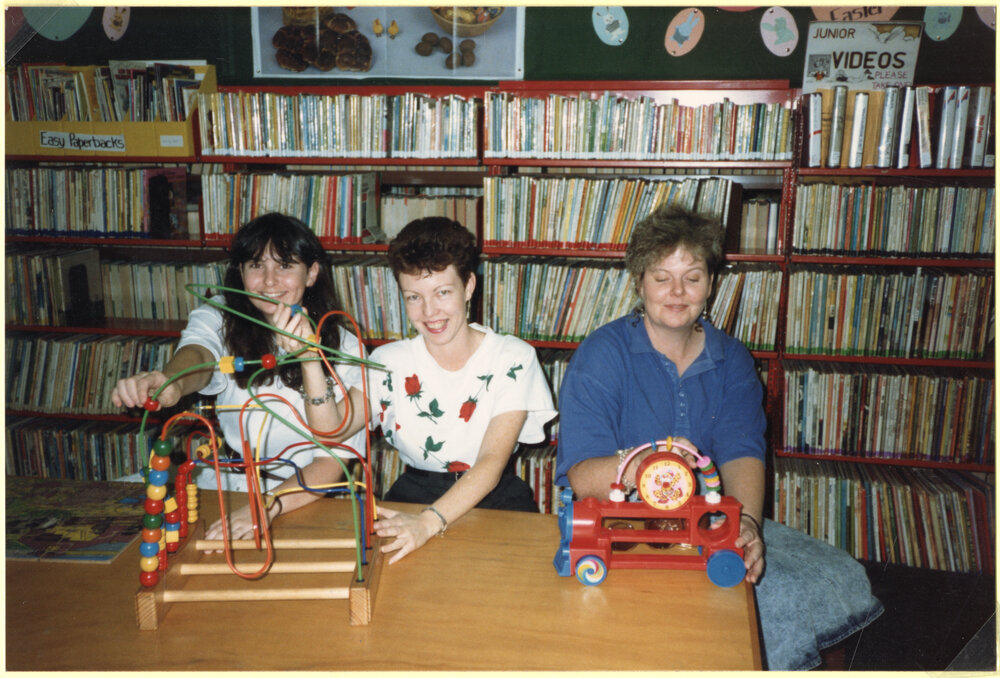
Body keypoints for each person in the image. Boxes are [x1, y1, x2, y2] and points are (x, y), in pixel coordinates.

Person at [555, 204, 883, 671]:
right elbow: (583, 474)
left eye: (692, 276)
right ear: (639, 283)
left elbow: (742, 452)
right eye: (660, 276)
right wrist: (658, 462)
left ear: (711, 284)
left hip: (707, 522)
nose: (676, 292)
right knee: (756, 607)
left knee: (842, 576)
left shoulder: (731, 358)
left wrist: (746, 525)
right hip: (625, 529)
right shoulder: (601, 355)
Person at [111, 212, 369, 543]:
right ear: (241, 272)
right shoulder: (222, 315)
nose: (269, 281)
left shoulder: (347, 348)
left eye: (286, 265)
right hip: (227, 487)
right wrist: (169, 383)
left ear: (312, 273)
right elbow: (200, 354)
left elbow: (331, 465)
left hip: (299, 498)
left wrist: (266, 505)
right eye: (256, 266)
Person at [369, 217, 556, 564]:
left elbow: (490, 462)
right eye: (413, 297)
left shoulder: (512, 357)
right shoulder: (386, 361)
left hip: (494, 501)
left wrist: (428, 524)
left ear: (469, 286)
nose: (429, 312)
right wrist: (307, 360)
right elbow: (331, 429)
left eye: (443, 292)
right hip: (410, 499)